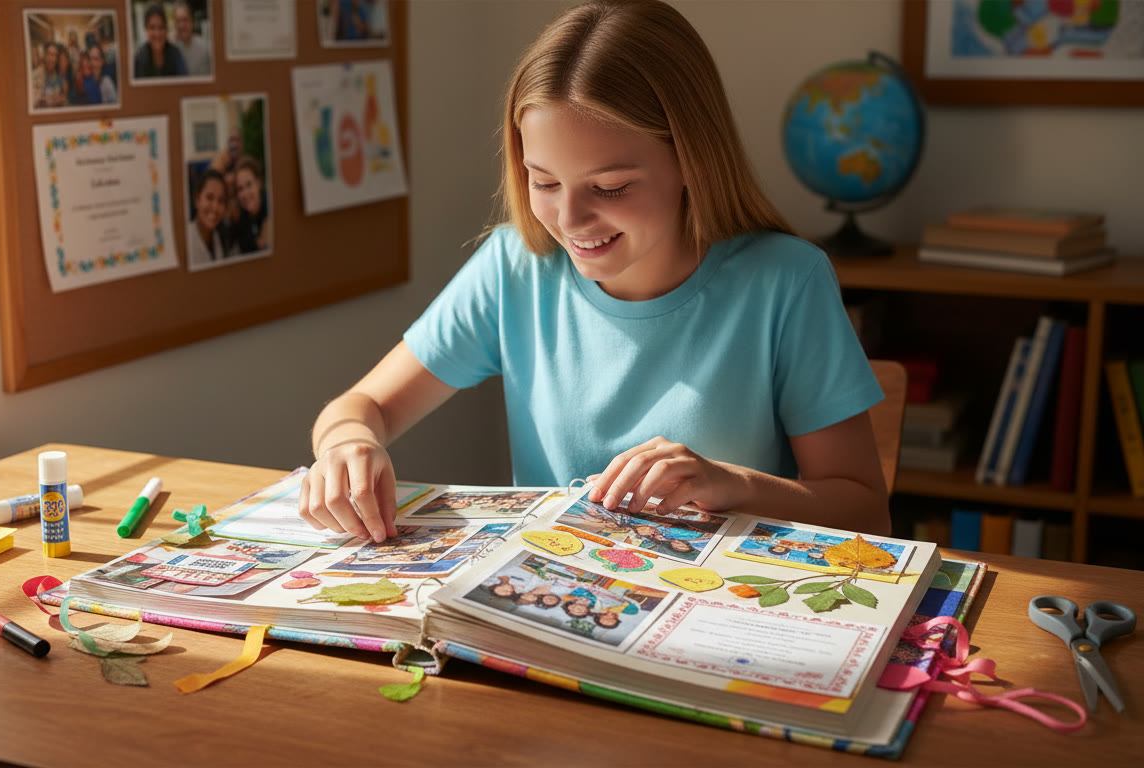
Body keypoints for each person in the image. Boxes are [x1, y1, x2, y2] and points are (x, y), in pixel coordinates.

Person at [296, 0, 888, 545]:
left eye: (610, 186)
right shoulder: (513, 270)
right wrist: (349, 444)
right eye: (544, 181)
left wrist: (735, 486)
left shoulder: (786, 282)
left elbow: (867, 512)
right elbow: (360, 406)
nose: (570, 218)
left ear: (692, 159)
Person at [224, 155, 270, 255]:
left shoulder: (270, 205)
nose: (245, 194)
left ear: (259, 182)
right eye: (240, 189)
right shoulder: (241, 220)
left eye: (249, 184)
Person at [186, 169, 228, 267]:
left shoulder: (218, 237)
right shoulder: (187, 240)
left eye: (221, 200)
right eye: (209, 198)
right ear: (197, 199)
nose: (215, 207)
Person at [133, 4, 187, 79]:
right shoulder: (139, 58)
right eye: (152, 27)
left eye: (161, 27)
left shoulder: (176, 54)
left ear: (166, 29)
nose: (157, 33)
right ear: (146, 29)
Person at [171, 1, 212, 76]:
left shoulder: (206, 46)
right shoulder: (172, 49)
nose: (182, 25)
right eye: (178, 21)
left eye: (185, 20)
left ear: (192, 21)